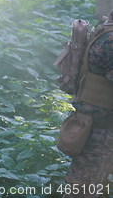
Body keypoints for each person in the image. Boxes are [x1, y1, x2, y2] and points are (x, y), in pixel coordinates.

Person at [63, 11, 113, 198]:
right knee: (82, 190)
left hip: (95, 126)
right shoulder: (110, 39)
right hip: (99, 132)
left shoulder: (104, 29)